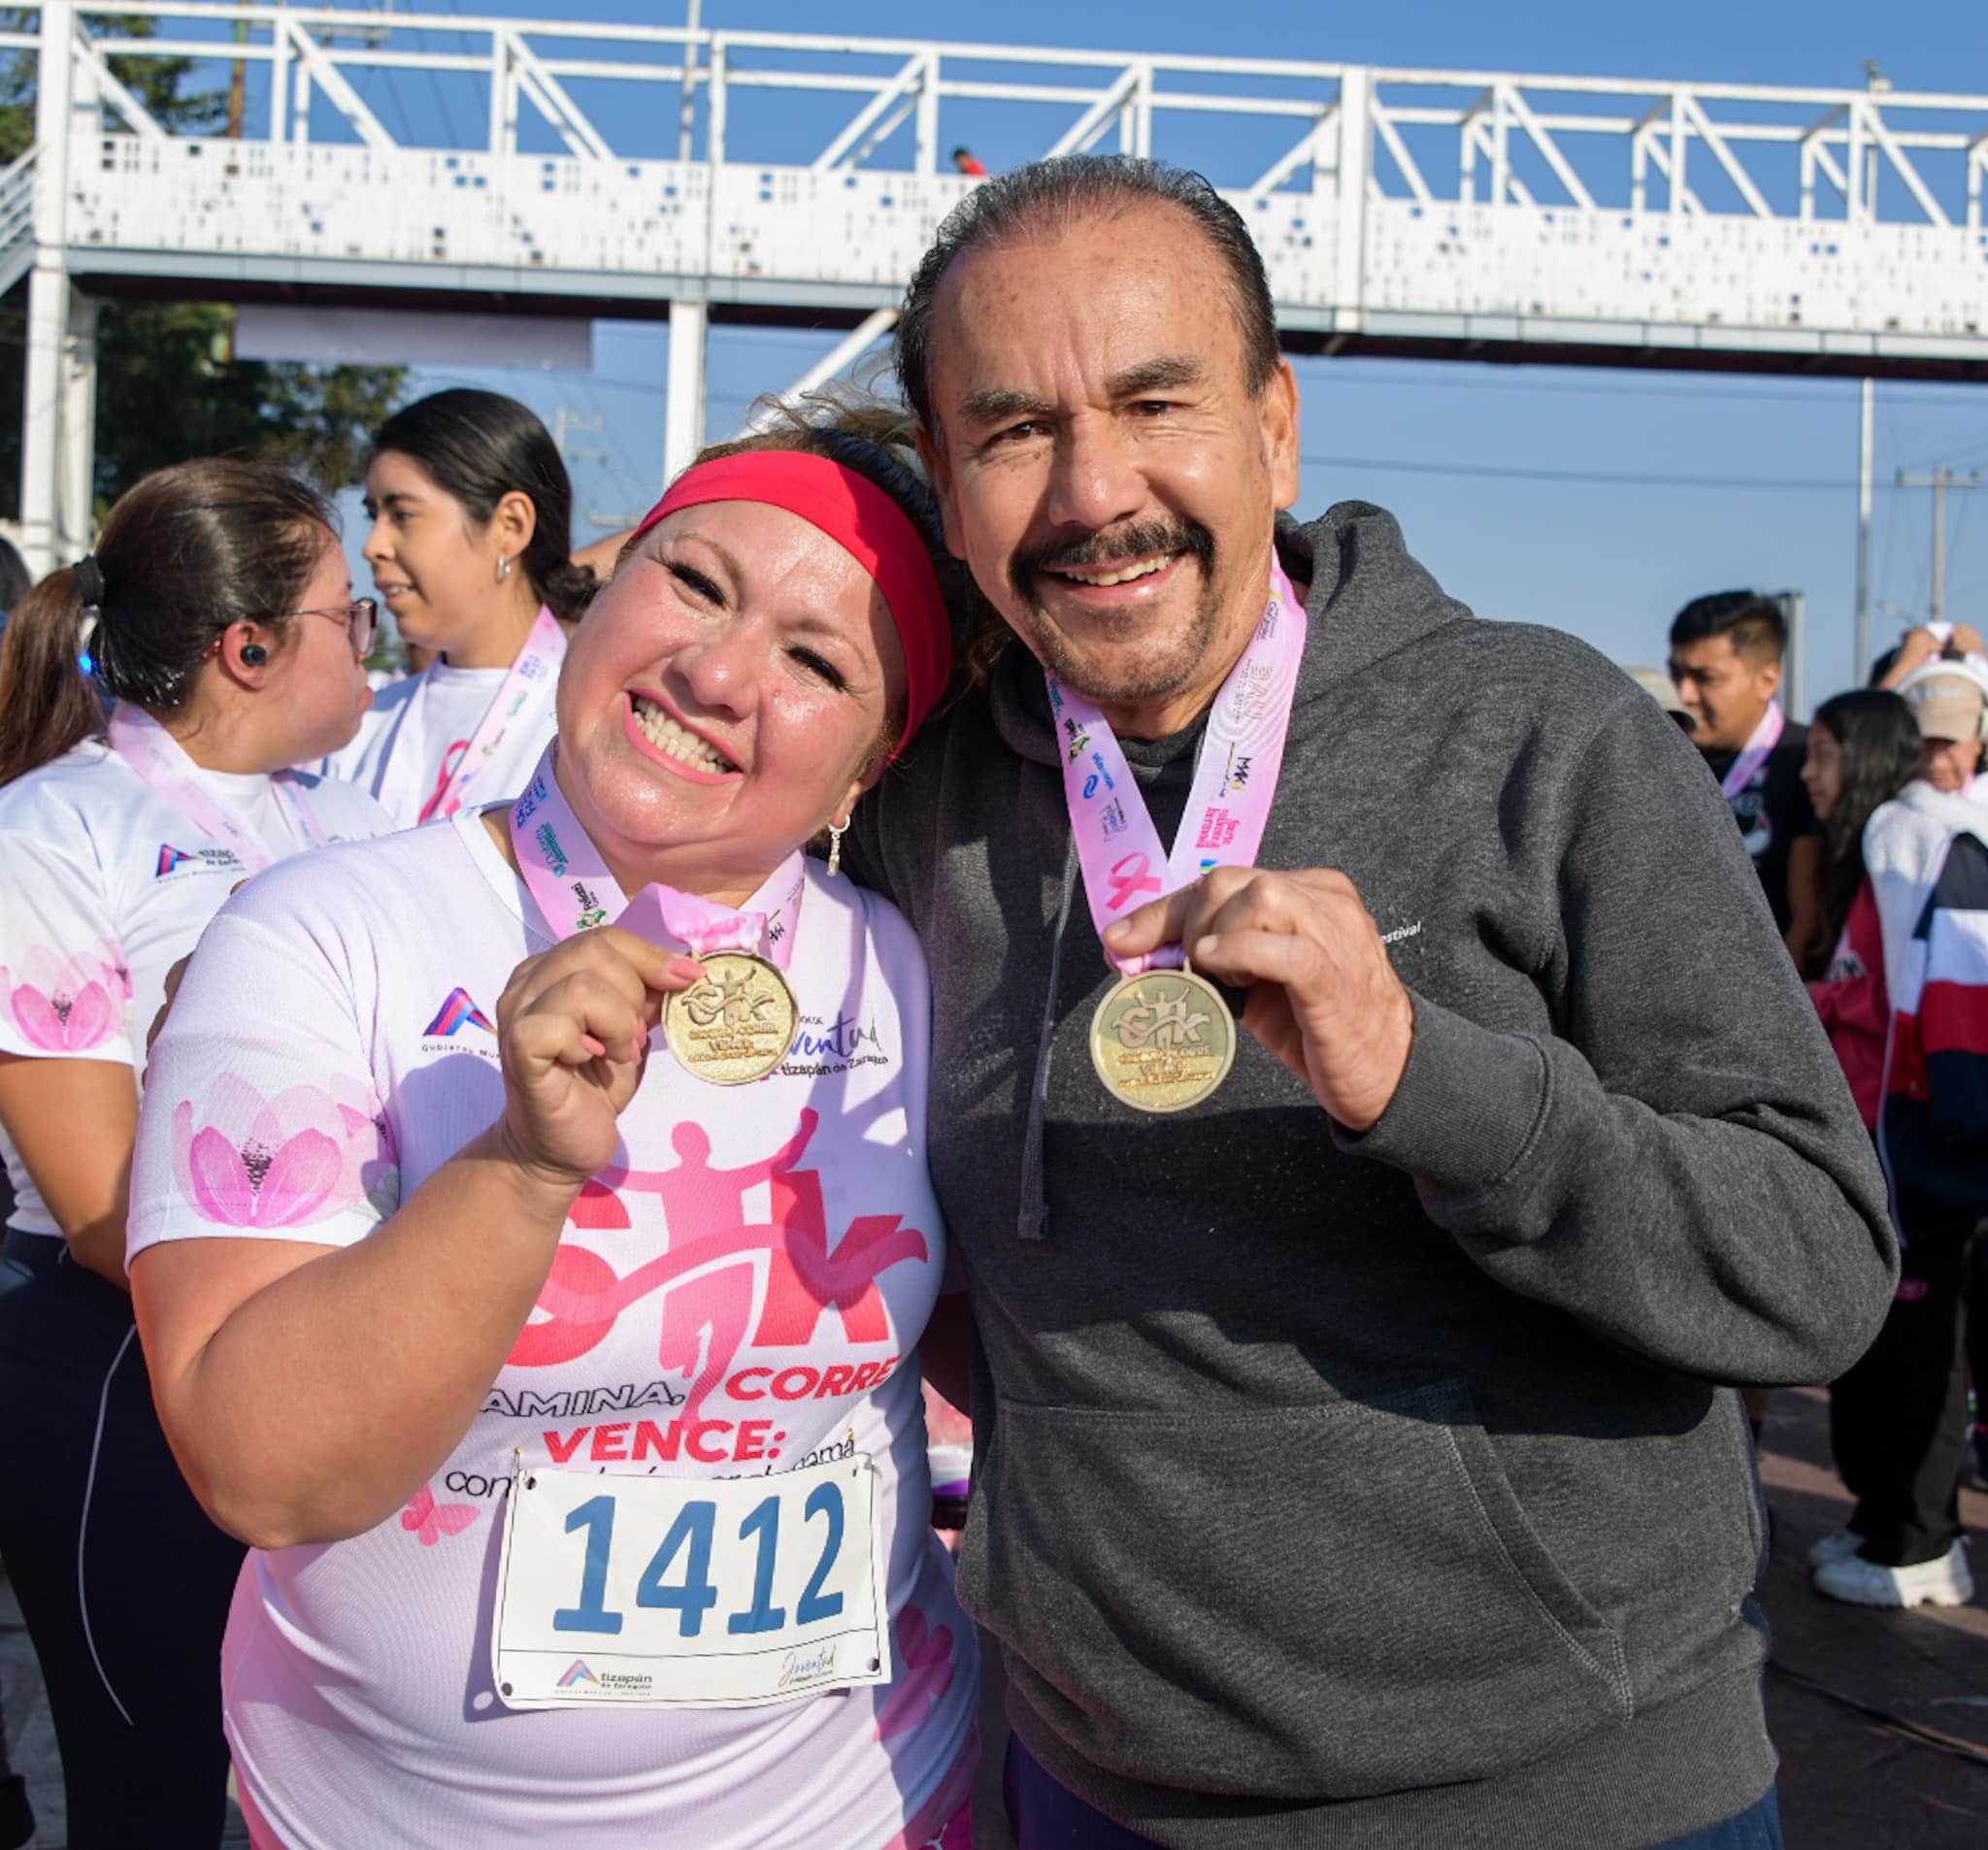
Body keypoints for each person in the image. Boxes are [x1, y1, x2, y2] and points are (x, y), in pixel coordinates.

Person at [847, 154, 1895, 1850]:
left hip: (1564, 1801)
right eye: (1010, 429)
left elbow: (1814, 1265)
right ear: (949, 488)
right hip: (1092, 1786)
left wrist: (1427, 1079)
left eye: (1150, 399)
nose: (1089, 489)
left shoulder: (1542, 735)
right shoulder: (920, 805)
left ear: (1274, 426)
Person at [125, 419, 979, 1849]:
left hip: (871, 1800)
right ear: (607, 583)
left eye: (817, 660)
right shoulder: (325, 930)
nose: (718, 673)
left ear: (870, 765)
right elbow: (256, 1465)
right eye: (695, 583)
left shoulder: (911, 964)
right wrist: (520, 1168)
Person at [0, 460, 392, 1849]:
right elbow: (105, 1205)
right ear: (250, 647)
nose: (376, 636)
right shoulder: (55, 832)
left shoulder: (347, 821)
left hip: (343, 1353)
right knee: (153, 1792)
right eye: (353, 615)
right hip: (126, 1375)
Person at [1804, 673, 1988, 1607]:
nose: (1811, 773)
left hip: (1918, 1148)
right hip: (1895, 1143)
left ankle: (1919, 1542)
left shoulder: (1919, 843)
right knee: (1892, 1341)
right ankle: (1889, 1528)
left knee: (1918, 1345)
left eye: (1827, 754)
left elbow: (1892, 998)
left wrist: (1804, 1004)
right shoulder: (1883, 849)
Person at [327, 388, 598, 825]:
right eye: (373, 514)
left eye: (403, 515)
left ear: (510, 526)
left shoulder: (590, 727)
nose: (373, 547)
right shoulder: (363, 722)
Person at [1669, 590, 1822, 964]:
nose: (1684, 694)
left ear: (1767, 680)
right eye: (1676, 674)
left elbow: (1809, 917)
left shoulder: (1807, 760)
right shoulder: (1668, 753)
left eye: (1705, 678)